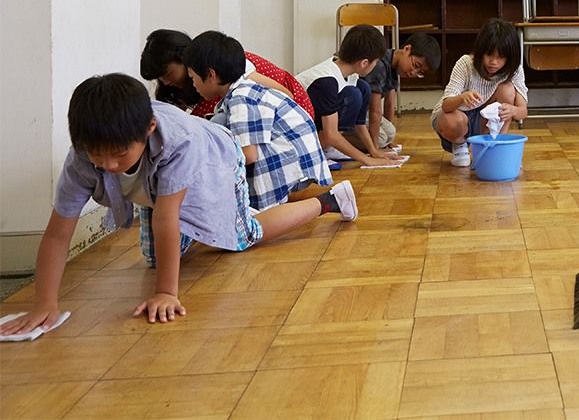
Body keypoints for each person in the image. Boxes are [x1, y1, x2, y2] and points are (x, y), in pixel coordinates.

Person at [0, 74, 355, 333]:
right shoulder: (83, 156)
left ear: (150, 128)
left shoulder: (179, 142)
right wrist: (44, 303)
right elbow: (58, 233)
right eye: (97, 155)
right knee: (159, 257)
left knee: (242, 236)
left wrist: (167, 293)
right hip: (156, 184)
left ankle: (327, 202)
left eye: (119, 154)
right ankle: (210, 223)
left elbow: (166, 217)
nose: (107, 164)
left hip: (215, 156)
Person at [183, 30, 332, 210]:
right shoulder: (242, 89)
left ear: (211, 75)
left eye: (192, 78)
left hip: (295, 170)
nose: (193, 85)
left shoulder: (242, 97)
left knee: (217, 133)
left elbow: (248, 155)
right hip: (299, 163)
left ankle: (282, 207)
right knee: (217, 124)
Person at [140, 28, 315, 120]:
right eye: (160, 79)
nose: (166, 82)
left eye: (168, 74)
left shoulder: (236, 69)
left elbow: (286, 96)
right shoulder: (198, 84)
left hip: (293, 114)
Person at [296, 24, 400, 167]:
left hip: (316, 127)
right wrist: (367, 160)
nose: (375, 65)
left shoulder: (351, 76)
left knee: (361, 89)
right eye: (375, 62)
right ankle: (320, 151)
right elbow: (331, 134)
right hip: (298, 135)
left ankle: (327, 148)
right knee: (352, 94)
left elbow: (359, 123)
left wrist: (373, 151)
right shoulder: (326, 80)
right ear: (364, 63)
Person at [433, 18, 528, 168]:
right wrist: (462, 98)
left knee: (507, 90)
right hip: (457, 119)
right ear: (480, 51)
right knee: (452, 120)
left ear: (510, 57)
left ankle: (492, 143)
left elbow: (523, 111)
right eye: (489, 55)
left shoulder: (514, 69)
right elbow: (446, 106)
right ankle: (460, 146)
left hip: (485, 121)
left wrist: (513, 110)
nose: (494, 62)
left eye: (500, 57)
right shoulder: (465, 63)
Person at [366, 31, 441, 150]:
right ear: (407, 49)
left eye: (420, 73)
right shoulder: (379, 65)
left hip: (364, 112)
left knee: (389, 133)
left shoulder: (394, 66)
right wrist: (375, 150)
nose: (413, 73)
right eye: (416, 65)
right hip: (352, 111)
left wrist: (389, 142)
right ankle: (340, 140)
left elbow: (389, 103)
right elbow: (374, 110)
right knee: (380, 139)